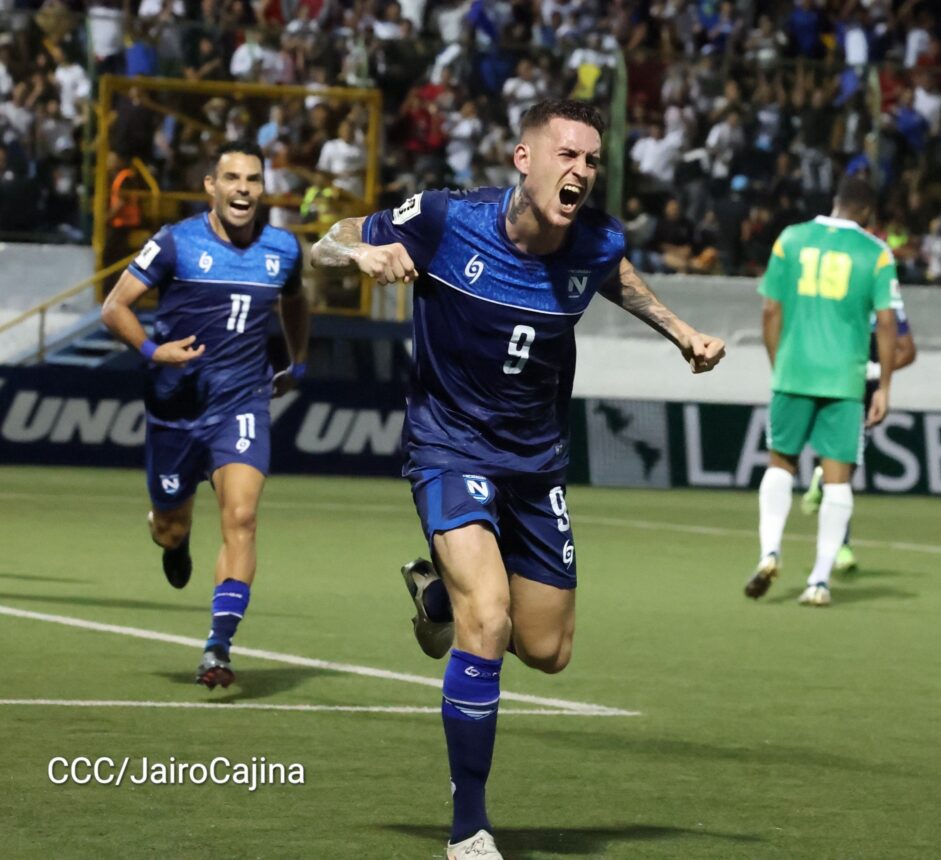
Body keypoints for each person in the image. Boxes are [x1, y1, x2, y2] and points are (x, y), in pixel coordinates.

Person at [310, 99, 726, 860]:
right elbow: (326, 242)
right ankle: (469, 828)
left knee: (548, 648)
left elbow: (614, 273)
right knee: (489, 619)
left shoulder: (594, 238)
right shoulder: (444, 219)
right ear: (523, 159)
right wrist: (361, 256)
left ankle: (437, 594)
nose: (582, 171)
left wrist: (681, 333)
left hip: (536, 464)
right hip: (450, 447)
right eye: (567, 154)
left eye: (592, 160)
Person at [100, 140, 310, 687]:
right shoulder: (175, 243)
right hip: (176, 408)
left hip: (242, 403)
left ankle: (218, 646)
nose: (244, 189)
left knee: (242, 517)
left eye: (253, 180)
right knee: (170, 527)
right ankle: (172, 535)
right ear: (211, 186)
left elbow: (294, 299)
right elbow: (114, 307)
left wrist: (297, 359)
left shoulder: (283, 249)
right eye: (232, 178)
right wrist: (153, 351)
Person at [745, 176, 899, 607]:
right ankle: (819, 581)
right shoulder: (876, 253)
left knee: (780, 465)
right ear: (867, 212)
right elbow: (888, 323)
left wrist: (780, 364)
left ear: (835, 201)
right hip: (845, 380)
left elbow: (770, 309)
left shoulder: (790, 239)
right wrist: (885, 386)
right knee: (837, 481)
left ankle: (769, 552)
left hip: (793, 371)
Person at [801, 305, 916, 571]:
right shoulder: (838, 295)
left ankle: (822, 478)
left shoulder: (890, 302)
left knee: (847, 467)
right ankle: (841, 546)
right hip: (835, 386)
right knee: (842, 470)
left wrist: (874, 372)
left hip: (867, 394)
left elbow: (908, 351)